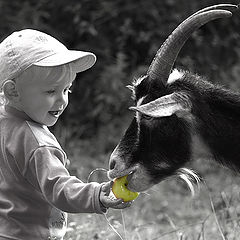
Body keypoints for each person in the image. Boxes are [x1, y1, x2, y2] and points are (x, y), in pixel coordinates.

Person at [0, 29, 131, 240]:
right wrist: (97, 194)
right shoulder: (37, 144)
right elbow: (59, 188)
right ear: (13, 92)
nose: (62, 101)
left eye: (66, 90)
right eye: (51, 91)